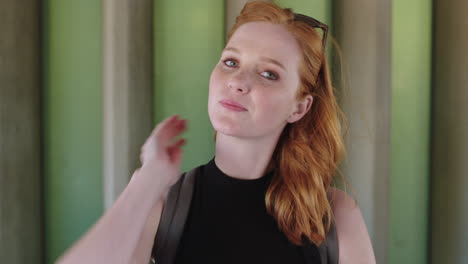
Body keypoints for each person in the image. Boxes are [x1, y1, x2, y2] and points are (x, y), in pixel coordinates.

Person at [56, 1, 375, 263]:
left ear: (299, 108)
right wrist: (146, 182)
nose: (238, 81)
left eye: (268, 73)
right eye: (231, 62)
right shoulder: (164, 205)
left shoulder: (335, 216)